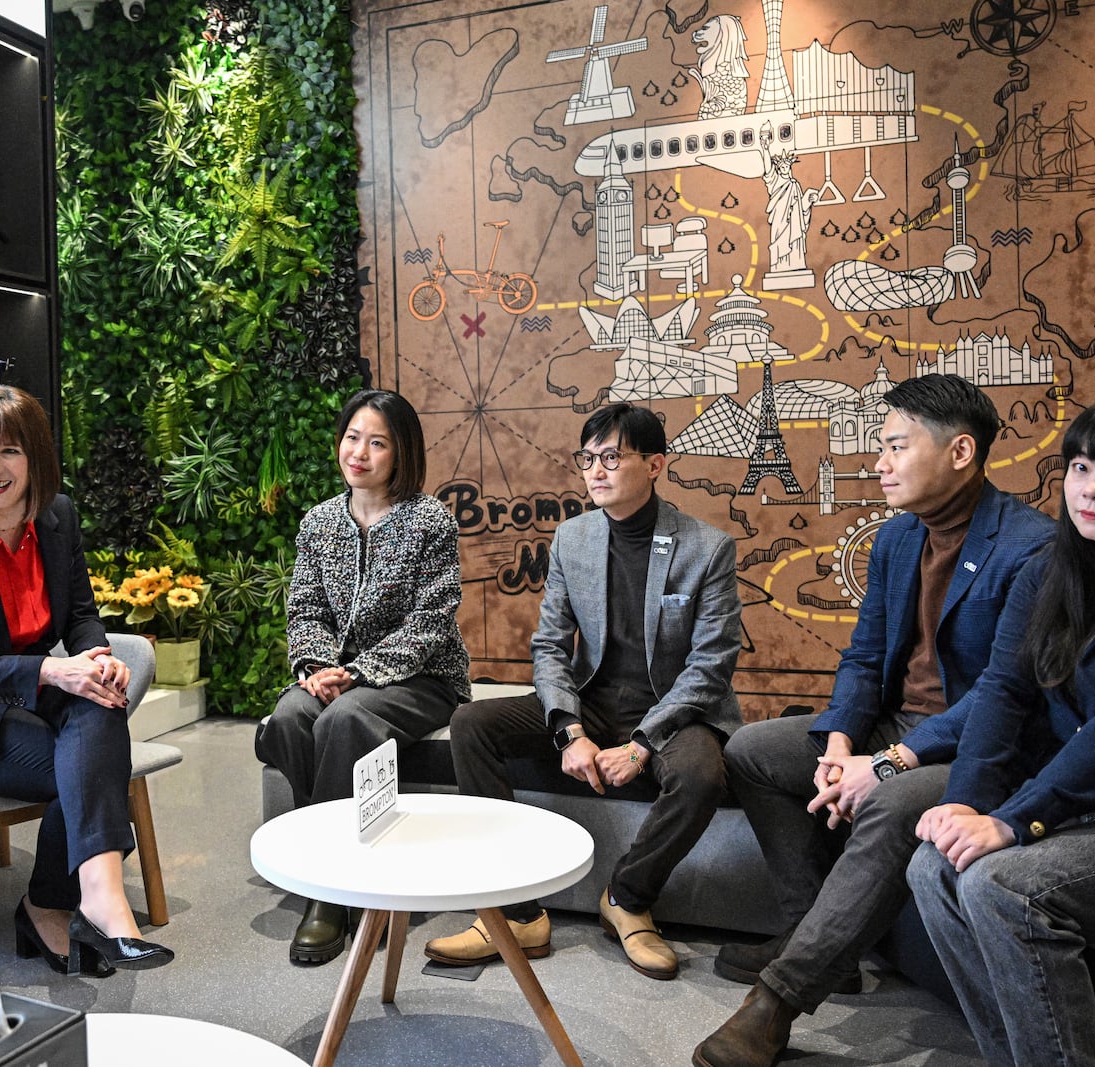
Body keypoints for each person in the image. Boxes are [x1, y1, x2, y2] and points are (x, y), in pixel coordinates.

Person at [693, 374, 1052, 1067]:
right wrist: (838, 744)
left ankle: (779, 997)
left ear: (960, 452)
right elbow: (863, 657)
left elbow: (1006, 695)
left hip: (981, 747)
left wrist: (890, 761)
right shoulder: (896, 540)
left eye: (895, 446)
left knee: (888, 801)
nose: (878, 462)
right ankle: (810, 932)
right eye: (879, 447)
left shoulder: (1031, 548)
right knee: (753, 751)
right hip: (895, 726)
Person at [907, 391, 1095, 1067]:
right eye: (1079, 466)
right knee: (933, 867)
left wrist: (1015, 821)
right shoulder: (1050, 570)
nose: (1090, 489)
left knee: (1001, 884)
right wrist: (967, 803)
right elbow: (1003, 694)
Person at [422, 402, 741, 980]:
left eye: (611, 457)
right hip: (592, 699)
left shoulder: (705, 547)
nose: (596, 470)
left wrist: (642, 744)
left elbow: (709, 667)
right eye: (587, 457)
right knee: (472, 724)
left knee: (701, 774)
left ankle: (627, 899)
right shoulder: (574, 538)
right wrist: (569, 730)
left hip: (672, 710)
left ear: (654, 465)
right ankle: (515, 912)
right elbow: (548, 647)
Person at [0, 385, 172, 977]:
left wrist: (95, 655)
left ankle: (87, 898)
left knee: (100, 701)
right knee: (84, 770)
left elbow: (77, 613)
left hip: (22, 699)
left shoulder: (57, 517)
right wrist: (53, 668)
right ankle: (61, 902)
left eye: (10, 453)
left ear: (36, 460)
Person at [255, 389, 471, 965]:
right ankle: (349, 857)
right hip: (334, 671)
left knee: (346, 719)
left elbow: (433, 618)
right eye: (353, 437)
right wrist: (317, 668)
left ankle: (327, 890)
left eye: (378, 442)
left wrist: (357, 673)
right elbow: (303, 608)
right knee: (288, 718)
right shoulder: (319, 521)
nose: (360, 452)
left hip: (421, 677)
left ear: (401, 453)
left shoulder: (430, 520)